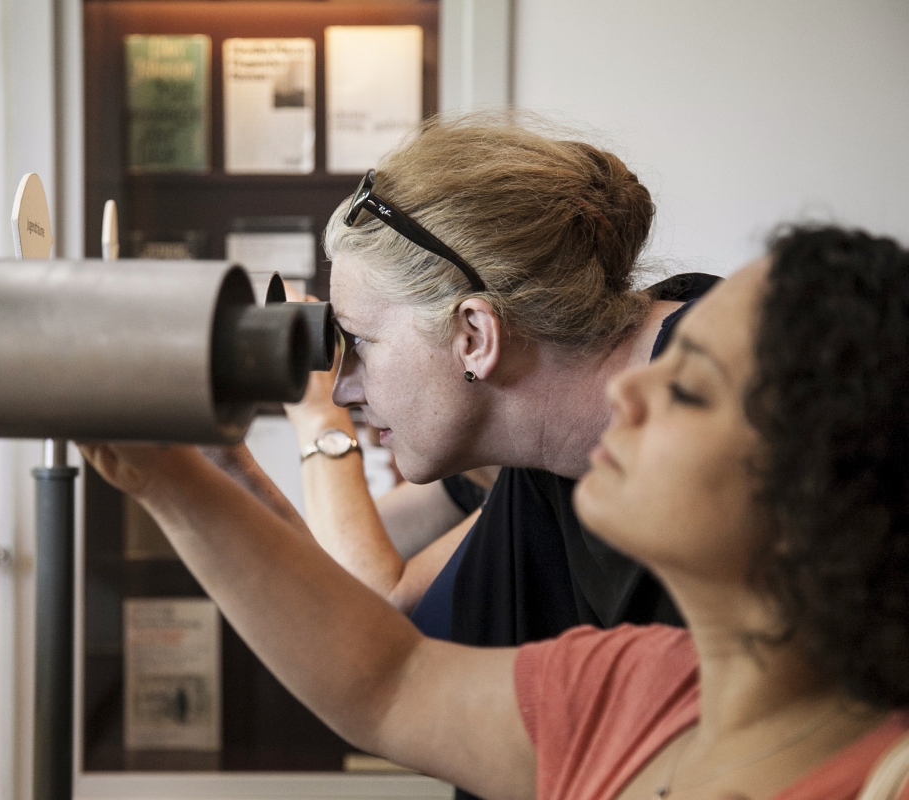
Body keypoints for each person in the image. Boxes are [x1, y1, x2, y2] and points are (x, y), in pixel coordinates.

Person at [83, 225, 909, 799]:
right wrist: (168, 474)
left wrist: (304, 428)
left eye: (687, 386)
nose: (629, 391)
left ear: (817, 481)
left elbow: (378, 628)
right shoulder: (630, 685)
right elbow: (383, 681)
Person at [217, 114, 712, 650]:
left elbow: (384, 629)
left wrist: (318, 419)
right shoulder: (540, 455)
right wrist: (219, 460)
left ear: (474, 336)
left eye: (359, 341)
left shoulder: (726, 421)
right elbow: (363, 624)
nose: (343, 391)